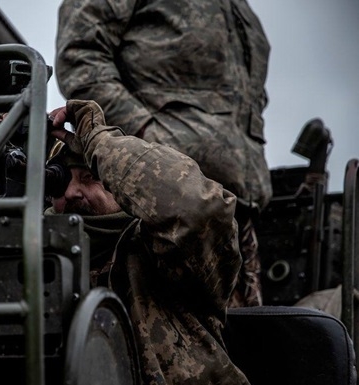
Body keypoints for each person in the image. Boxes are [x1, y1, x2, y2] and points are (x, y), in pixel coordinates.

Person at [55, 0, 272, 307]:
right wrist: (148, 138)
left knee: (238, 347)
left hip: (235, 213)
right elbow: (80, 59)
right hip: (160, 205)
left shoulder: (240, 9)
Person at [47, 99, 247, 384]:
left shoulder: (160, 251)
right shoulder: (34, 261)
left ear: (120, 183)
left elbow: (196, 211)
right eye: (58, 182)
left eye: (90, 177)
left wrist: (99, 143)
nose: (71, 193)